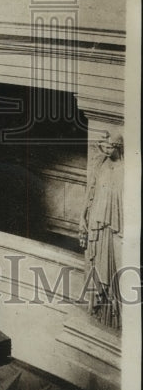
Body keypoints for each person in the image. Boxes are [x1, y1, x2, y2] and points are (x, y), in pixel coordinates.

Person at [79, 131, 124, 329]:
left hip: (114, 227)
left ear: (117, 147)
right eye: (103, 148)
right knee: (97, 263)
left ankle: (114, 315)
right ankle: (99, 308)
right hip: (97, 223)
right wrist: (83, 217)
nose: (105, 151)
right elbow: (91, 192)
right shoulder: (101, 165)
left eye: (109, 147)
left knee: (114, 268)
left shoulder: (125, 169)